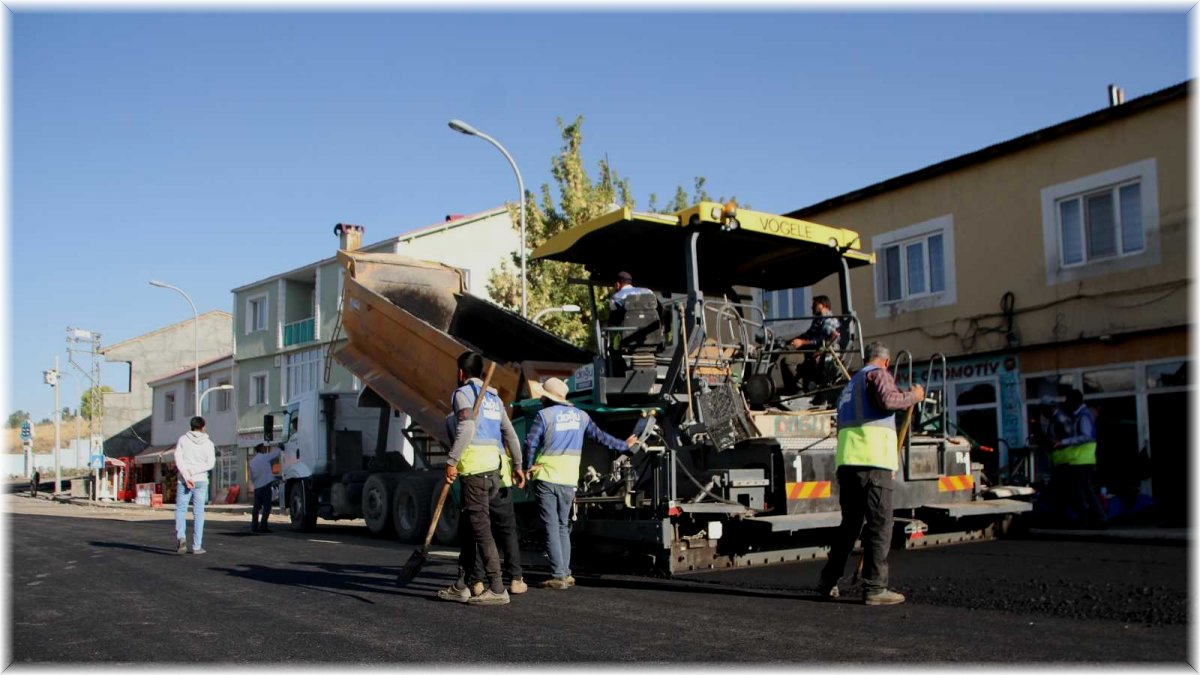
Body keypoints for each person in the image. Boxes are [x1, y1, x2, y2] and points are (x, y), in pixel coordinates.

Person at [816, 342, 923, 606]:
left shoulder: (851, 385)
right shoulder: (878, 375)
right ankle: (875, 588)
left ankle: (827, 581)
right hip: (873, 462)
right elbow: (889, 400)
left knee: (850, 527)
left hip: (850, 462)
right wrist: (914, 396)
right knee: (879, 525)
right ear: (885, 362)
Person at [524, 377, 638, 589]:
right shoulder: (581, 416)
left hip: (547, 477)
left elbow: (530, 442)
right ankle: (565, 573)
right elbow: (602, 438)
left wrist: (525, 467)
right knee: (562, 526)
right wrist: (625, 446)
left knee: (550, 526)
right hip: (568, 480)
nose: (540, 399)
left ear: (547, 398)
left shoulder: (544, 415)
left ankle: (558, 575)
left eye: (543, 396)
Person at [436, 351, 524, 606]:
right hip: (494, 470)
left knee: (481, 529)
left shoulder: (462, 394)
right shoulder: (494, 399)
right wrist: (517, 464)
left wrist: (451, 461)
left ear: (461, 372)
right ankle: (464, 584)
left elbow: (466, 428)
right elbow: (510, 433)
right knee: (470, 526)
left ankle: (496, 587)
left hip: (474, 469)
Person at [443, 412, 528, 598]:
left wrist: (451, 463)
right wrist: (518, 465)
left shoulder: (452, 418)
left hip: (473, 476)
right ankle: (515, 579)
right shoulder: (494, 412)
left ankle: (477, 582)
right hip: (499, 478)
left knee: (477, 530)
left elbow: (455, 443)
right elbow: (510, 437)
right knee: (505, 531)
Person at [1053, 389, 1107, 529]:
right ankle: (1094, 520)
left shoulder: (1083, 416)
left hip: (1081, 461)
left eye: (1068, 400)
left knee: (1083, 493)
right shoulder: (1080, 415)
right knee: (1085, 492)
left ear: (1076, 400)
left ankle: (1091, 521)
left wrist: (1064, 442)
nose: (1066, 403)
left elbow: (1086, 436)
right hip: (1080, 461)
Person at [779, 295, 841, 395]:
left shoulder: (829, 320)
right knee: (783, 360)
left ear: (823, 305)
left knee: (788, 361)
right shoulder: (818, 319)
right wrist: (790, 341)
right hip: (810, 350)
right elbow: (808, 335)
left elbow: (823, 341)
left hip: (819, 353)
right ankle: (791, 390)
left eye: (814, 304)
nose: (812, 307)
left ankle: (801, 389)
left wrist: (802, 342)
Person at [174, 416, 216, 555]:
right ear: (203, 427)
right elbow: (210, 464)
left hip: (184, 480)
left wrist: (187, 475)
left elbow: (178, 459)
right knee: (199, 512)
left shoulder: (183, 440)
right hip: (201, 480)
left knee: (181, 509)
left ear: (191, 426)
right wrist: (195, 471)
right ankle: (197, 546)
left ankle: (181, 537)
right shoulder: (208, 443)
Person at [249, 442, 282, 533]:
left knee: (256, 508)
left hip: (257, 488)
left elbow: (251, 477)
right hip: (266, 486)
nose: (265, 449)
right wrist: (280, 447)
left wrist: (256, 483)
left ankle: (254, 527)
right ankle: (263, 526)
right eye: (264, 448)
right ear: (261, 449)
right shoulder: (265, 457)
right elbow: (275, 454)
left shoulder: (252, 461)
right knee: (267, 507)